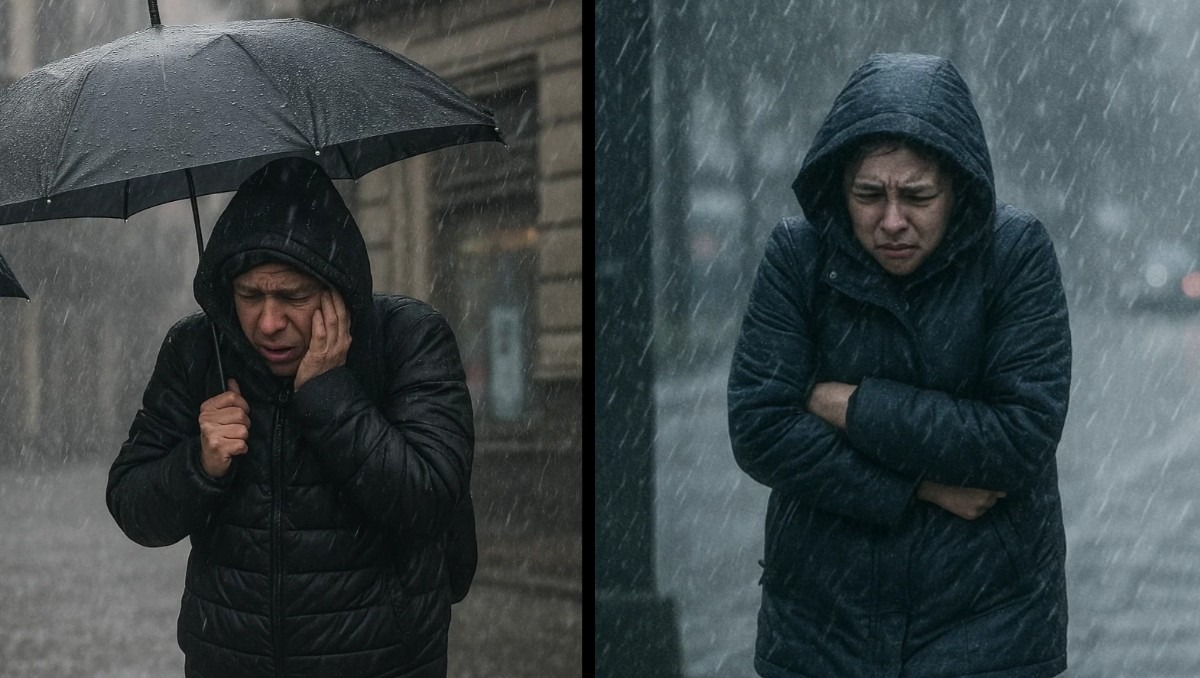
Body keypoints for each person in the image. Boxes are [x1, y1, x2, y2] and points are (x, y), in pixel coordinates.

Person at [727, 53, 1072, 677]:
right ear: (840, 187)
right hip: (819, 627)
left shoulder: (1015, 255)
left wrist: (847, 404)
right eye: (868, 195)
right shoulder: (796, 257)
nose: (891, 221)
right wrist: (923, 483)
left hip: (990, 625)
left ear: (957, 188)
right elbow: (759, 428)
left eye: (916, 196)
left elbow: (1019, 437)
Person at [107, 157, 475, 677]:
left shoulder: (407, 339)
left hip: (381, 662)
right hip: (228, 662)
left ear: (336, 287)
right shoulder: (197, 349)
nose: (269, 322)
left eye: (292, 296)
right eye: (249, 296)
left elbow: (428, 498)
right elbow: (132, 504)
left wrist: (329, 395)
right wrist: (200, 462)